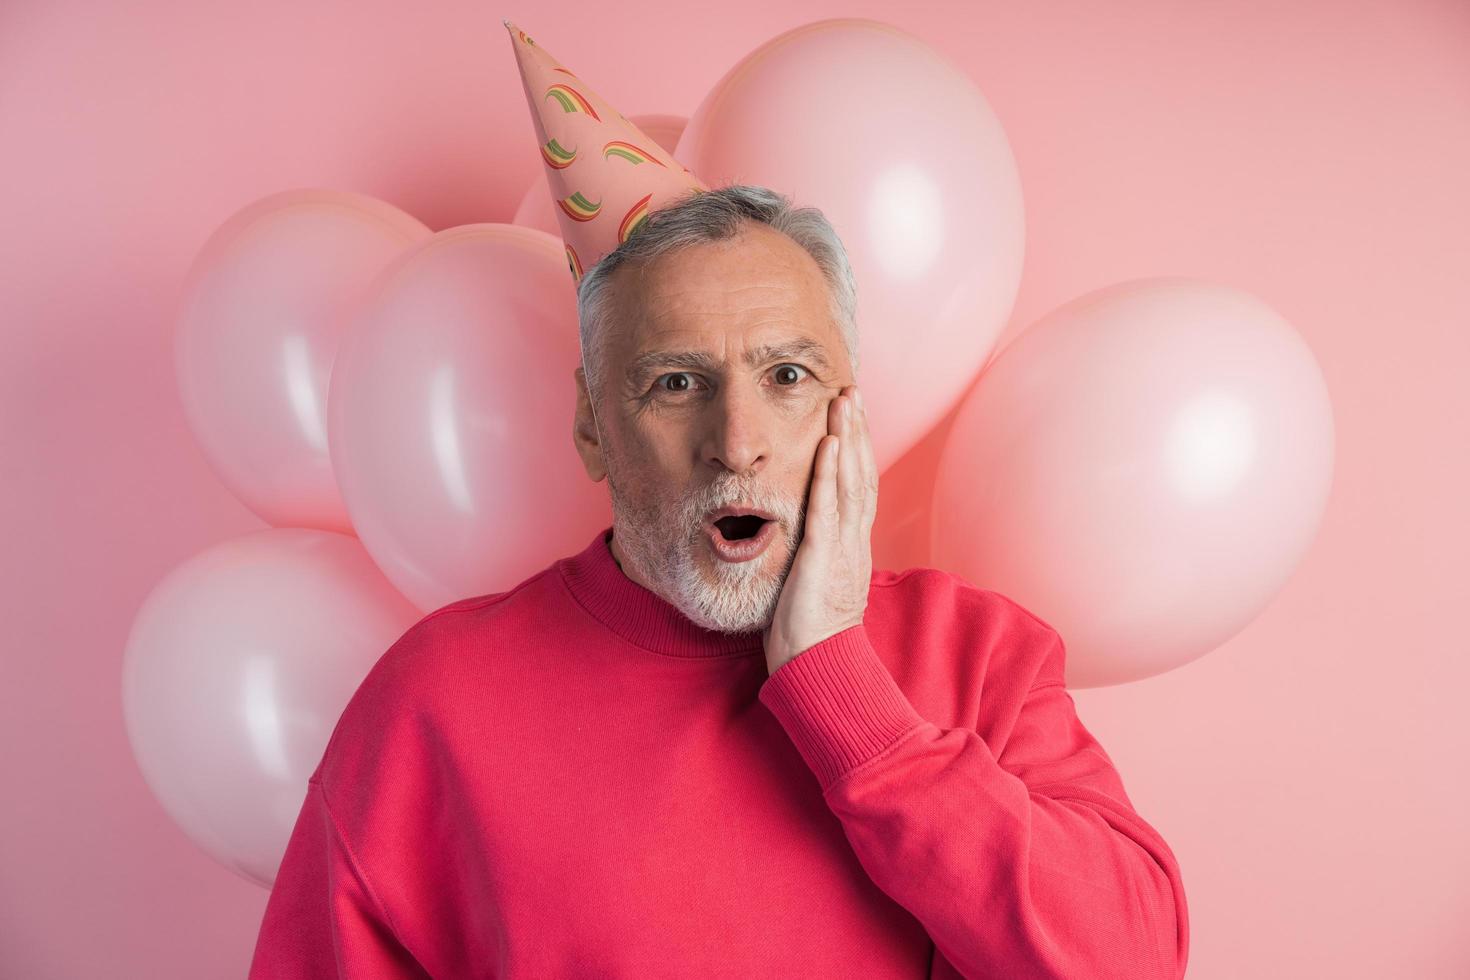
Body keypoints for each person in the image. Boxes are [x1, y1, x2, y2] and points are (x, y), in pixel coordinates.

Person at [247, 184, 1189, 978]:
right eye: (676, 383)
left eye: (786, 374)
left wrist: (842, 690)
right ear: (592, 425)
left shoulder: (980, 655)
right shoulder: (435, 704)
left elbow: (1131, 959)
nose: (738, 444)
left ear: (846, 410)